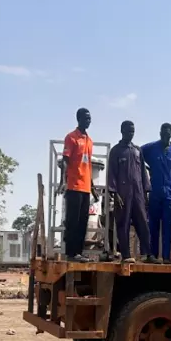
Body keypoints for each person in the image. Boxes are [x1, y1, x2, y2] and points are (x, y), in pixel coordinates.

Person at [107, 120, 152, 263]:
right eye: (128, 131)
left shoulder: (138, 150)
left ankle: (147, 254)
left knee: (143, 222)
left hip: (138, 192)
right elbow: (111, 173)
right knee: (123, 223)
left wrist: (146, 191)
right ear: (122, 131)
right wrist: (114, 193)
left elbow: (143, 173)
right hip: (123, 193)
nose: (130, 134)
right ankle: (126, 255)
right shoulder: (116, 151)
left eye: (132, 131)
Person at [61, 107, 100, 262]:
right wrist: (61, 181)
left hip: (85, 187)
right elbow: (65, 160)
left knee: (83, 222)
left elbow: (89, 165)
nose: (88, 121)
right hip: (73, 186)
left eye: (90, 118)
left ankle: (78, 252)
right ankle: (71, 253)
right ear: (78, 119)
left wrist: (92, 187)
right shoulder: (71, 137)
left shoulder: (90, 141)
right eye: (85, 118)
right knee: (72, 221)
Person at [141, 123, 171, 263]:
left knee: (167, 226)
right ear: (160, 133)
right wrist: (145, 170)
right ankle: (152, 255)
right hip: (155, 191)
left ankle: (166, 257)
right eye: (163, 133)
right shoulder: (151, 148)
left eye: (168, 133)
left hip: (169, 192)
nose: (165, 136)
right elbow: (137, 153)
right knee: (153, 225)